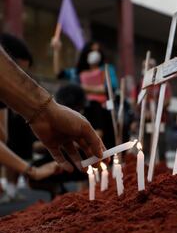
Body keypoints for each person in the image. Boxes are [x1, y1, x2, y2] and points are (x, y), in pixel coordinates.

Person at [0, 39, 104, 173]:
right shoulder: (77, 73)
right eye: (18, 71)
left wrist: (44, 111)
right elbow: (59, 72)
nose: (22, 78)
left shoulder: (102, 79)